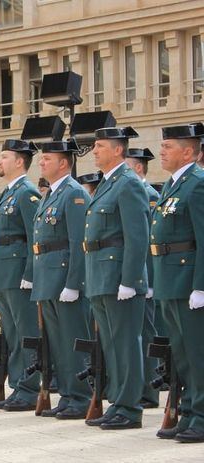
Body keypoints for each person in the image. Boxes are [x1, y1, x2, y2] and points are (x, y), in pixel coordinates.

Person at [84, 127, 149, 430]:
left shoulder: (128, 184)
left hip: (118, 277)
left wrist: (130, 280)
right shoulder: (108, 184)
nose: (94, 151)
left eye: (99, 146)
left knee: (125, 344)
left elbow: (137, 238)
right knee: (111, 344)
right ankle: (118, 403)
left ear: (118, 150)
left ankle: (130, 407)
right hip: (101, 274)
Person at [30, 141, 93, 419]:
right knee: (57, 342)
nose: (41, 163)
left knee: (73, 339)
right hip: (48, 276)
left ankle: (80, 396)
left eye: (47, 159)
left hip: (65, 277)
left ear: (63, 163)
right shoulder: (50, 195)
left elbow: (79, 241)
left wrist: (74, 283)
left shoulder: (74, 194)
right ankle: (67, 395)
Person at [150, 124, 204, 443]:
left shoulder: (197, 185)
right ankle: (189, 412)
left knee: (197, 354)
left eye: (168, 146)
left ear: (188, 152)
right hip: (170, 280)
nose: (162, 150)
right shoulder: (174, 185)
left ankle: (201, 414)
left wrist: (201, 285)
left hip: (188, 282)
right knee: (182, 354)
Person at [0, 139, 42, 411]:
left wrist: (30, 274)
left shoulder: (26, 193)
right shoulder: (9, 193)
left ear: (20, 161)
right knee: (11, 333)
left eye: (4, 157)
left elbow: (35, 238)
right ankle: (18, 385)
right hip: (4, 273)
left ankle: (29, 388)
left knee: (25, 332)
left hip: (18, 272)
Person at [125, 147, 163, 409]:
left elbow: (147, 241)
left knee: (146, 334)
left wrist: (149, 281)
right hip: (140, 278)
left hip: (145, 279)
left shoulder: (149, 195)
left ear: (138, 167)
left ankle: (149, 390)